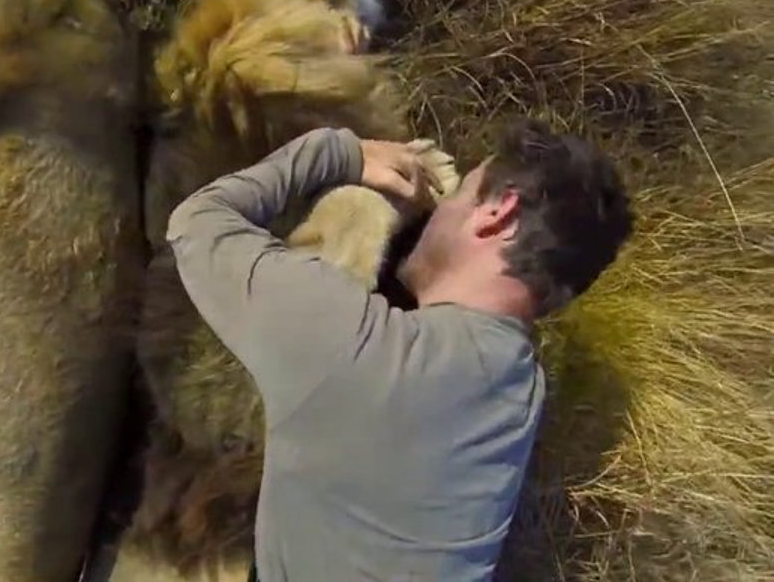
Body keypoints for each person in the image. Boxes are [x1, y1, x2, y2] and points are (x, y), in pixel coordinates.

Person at [165, 119, 634, 582]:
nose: (439, 210)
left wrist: (338, 153)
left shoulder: (359, 345)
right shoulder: (522, 385)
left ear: (498, 212)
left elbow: (197, 222)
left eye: (459, 195)